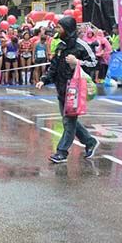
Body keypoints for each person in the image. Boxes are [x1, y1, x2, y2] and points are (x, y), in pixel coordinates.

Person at [36, 16, 99, 164]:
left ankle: (62, 152)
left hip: (76, 90)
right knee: (70, 121)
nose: (57, 30)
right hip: (61, 89)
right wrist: (43, 80)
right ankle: (90, 141)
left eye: (60, 27)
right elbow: (54, 68)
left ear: (68, 29)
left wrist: (77, 62)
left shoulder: (81, 46)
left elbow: (95, 63)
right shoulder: (60, 46)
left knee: (68, 122)